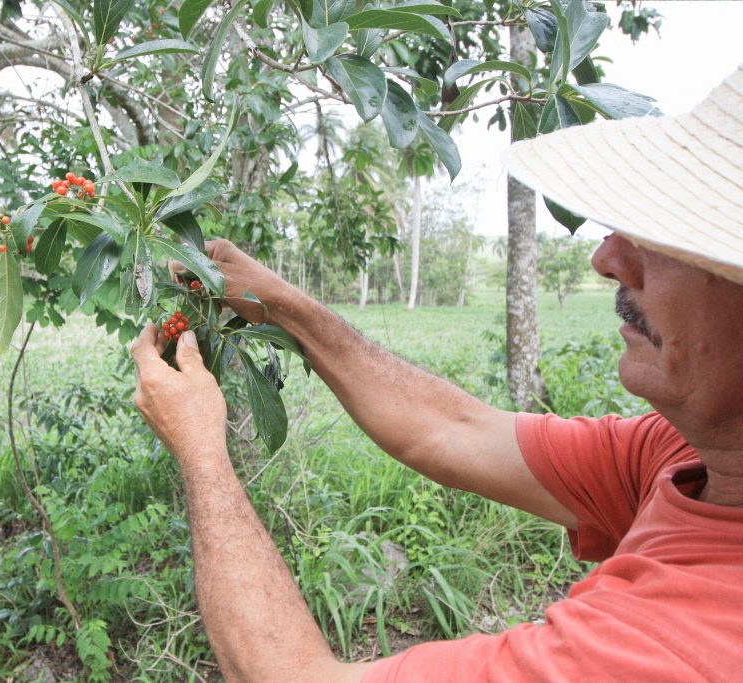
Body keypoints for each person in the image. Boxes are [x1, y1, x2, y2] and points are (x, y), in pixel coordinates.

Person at [130, 64, 743, 682]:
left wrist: (201, 450)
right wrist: (279, 301)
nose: (608, 257)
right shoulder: (690, 456)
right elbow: (452, 429)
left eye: (671, 240)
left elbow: (285, 676)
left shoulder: (677, 647)